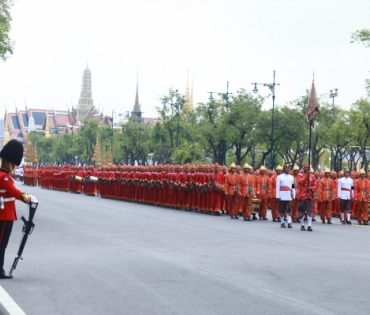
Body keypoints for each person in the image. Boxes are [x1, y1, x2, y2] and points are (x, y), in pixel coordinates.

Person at [0, 140, 37, 279]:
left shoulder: (3, 176)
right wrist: (29, 198)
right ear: (9, 163)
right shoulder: (4, 178)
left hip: (4, 214)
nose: (14, 167)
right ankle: (0, 270)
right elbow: (15, 193)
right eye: (14, 164)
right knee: (2, 244)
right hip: (4, 215)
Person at [297, 163, 318, 231]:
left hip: (310, 195)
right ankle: (302, 224)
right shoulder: (300, 175)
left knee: (310, 210)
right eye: (306, 167)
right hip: (302, 195)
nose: (307, 169)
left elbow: (316, 185)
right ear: (303, 168)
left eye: (308, 167)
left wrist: (311, 188)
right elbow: (300, 182)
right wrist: (306, 176)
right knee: (301, 210)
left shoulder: (313, 176)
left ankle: (309, 225)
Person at [276, 163, 295, 228]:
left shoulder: (292, 177)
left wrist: (294, 195)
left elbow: (293, 186)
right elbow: (277, 187)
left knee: (289, 209)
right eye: (286, 168)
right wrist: (278, 196)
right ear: (284, 169)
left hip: (289, 195)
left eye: (288, 168)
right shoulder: (279, 177)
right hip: (282, 195)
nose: (287, 169)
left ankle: (289, 222)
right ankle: (282, 222)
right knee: (282, 209)